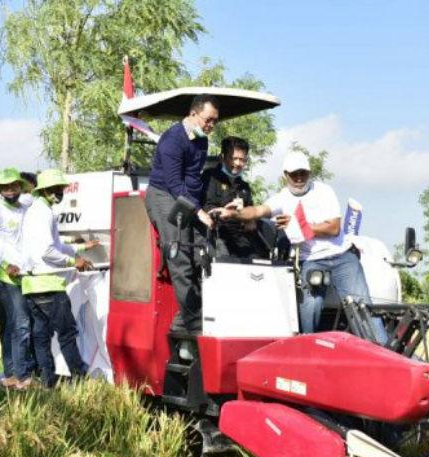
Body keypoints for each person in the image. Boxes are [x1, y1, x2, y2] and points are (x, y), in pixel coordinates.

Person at [220, 151, 388, 342]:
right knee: (310, 305)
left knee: (361, 305)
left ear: (309, 173)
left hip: (341, 256)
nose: (299, 178)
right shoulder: (282, 198)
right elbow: (258, 210)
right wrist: (234, 214)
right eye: (294, 174)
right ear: (285, 175)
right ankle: (309, 345)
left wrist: (300, 226)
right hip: (312, 260)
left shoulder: (324, 191)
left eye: (303, 173)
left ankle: (383, 350)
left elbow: (333, 228)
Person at [144, 94, 219, 334]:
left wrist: (204, 209)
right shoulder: (172, 139)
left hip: (186, 198)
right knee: (180, 258)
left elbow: (193, 181)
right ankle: (197, 327)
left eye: (215, 122)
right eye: (208, 120)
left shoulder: (201, 141)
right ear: (194, 113)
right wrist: (197, 211)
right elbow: (175, 184)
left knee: (207, 255)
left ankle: (181, 323)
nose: (211, 126)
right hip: (164, 195)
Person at [21, 169, 98, 387]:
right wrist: (73, 263)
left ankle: (48, 382)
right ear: (44, 190)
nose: (60, 193)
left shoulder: (36, 211)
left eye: (61, 189)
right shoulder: (44, 213)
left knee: (41, 337)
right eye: (56, 189)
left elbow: (57, 245)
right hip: (49, 284)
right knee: (67, 333)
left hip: (32, 286)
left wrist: (81, 248)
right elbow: (48, 251)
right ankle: (79, 376)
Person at [0, 168, 37, 390]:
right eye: (5, 187)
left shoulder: (25, 207)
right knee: (20, 325)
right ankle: (22, 377)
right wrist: (4, 264)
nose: (10, 190)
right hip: (5, 276)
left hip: (24, 275)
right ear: (0, 190)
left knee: (13, 326)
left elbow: (39, 196)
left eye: (14, 185)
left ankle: (12, 374)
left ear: (21, 187)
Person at [201, 136, 267, 261]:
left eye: (242, 159)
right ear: (222, 157)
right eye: (234, 158)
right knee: (226, 261)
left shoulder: (244, 187)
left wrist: (246, 217)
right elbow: (206, 207)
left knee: (259, 262)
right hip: (216, 233)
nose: (237, 163)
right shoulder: (209, 177)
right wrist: (226, 211)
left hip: (241, 237)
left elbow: (251, 222)